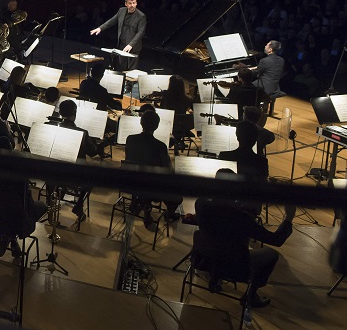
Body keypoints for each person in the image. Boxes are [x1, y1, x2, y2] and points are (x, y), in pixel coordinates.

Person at [194, 171, 295, 308]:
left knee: (219, 241)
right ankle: (250, 296)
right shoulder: (241, 219)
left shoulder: (200, 204)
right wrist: (288, 218)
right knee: (271, 255)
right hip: (235, 267)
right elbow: (276, 240)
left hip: (206, 258)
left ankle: (216, 277)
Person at [124, 110, 183, 226]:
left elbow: (129, 157)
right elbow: (167, 170)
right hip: (152, 187)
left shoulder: (130, 139)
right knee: (178, 197)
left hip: (130, 182)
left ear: (141, 123)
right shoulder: (160, 146)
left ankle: (141, 202)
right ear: (157, 126)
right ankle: (169, 215)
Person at [90, 0, 146, 69]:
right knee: (121, 67)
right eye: (130, 3)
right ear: (126, 4)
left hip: (133, 47)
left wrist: (131, 45)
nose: (132, 5)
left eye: (134, 3)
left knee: (132, 70)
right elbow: (112, 21)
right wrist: (100, 28)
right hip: (122, 45)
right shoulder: (121, 11)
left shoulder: (141, 16)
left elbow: (140, 32)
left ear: (136, 3)